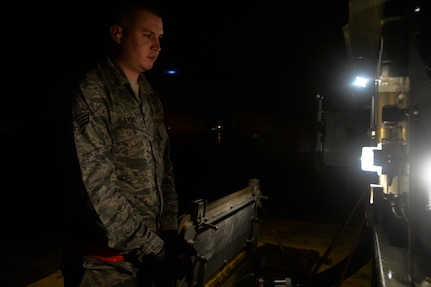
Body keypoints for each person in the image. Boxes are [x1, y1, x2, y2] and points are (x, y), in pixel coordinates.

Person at [60, 2, 196, 286]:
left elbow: (164, 167)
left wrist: (169, 230)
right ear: (117, 34)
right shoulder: (93, 91)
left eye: (160, 38)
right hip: (102, 266)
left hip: (144, 260)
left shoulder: (148, 96)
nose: (157, 46)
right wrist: (157, 250)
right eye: (147, 35)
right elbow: (96, 189)